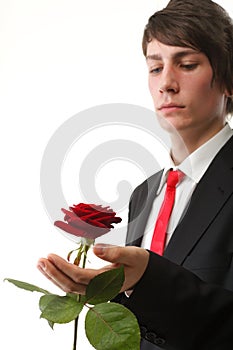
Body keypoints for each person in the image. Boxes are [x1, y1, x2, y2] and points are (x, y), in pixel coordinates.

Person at [37, 0, 233, 349]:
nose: (166, 84)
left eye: (187, 64)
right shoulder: (146, 192)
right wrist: (107, 291)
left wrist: (146, 277)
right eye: (155, 68)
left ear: (228, 81)